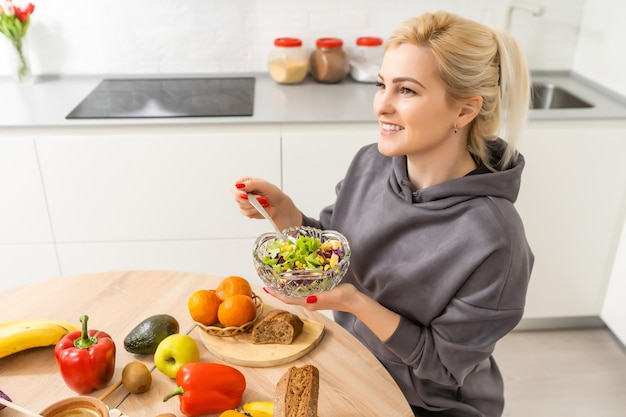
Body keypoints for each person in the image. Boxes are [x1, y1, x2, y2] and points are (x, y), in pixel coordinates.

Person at [232, 10, 534, 417]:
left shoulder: (495, 239)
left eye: (406, 91)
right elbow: (333, 256)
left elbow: (443, 366)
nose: (381, 106)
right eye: (381, 85)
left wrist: (356, 303)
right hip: (351, 362)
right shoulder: (371, 163)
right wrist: (286, 214)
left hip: (427, 404)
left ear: (464, 111)